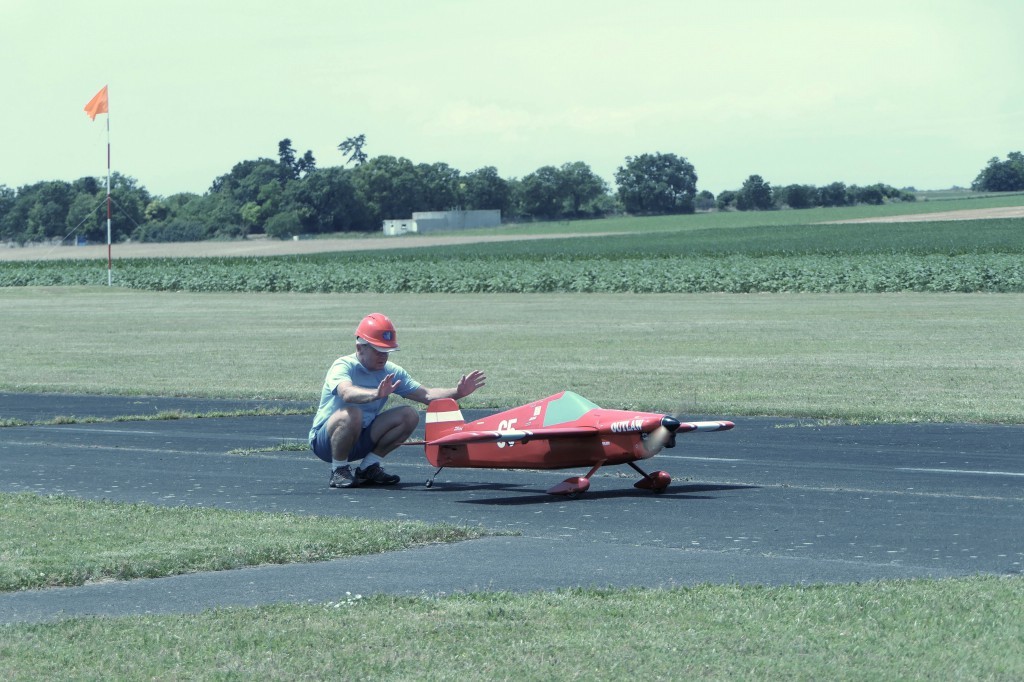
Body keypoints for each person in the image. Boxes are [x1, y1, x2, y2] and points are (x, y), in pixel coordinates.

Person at [309, 313, 486, 488]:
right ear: (360, 347)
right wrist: (376, 394)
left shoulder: (391, 371)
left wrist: (458, 392)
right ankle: (339, 470)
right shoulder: (343, 365)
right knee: (351, 413)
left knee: (409, 415)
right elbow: (346, 393)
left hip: (361, 437)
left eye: (387, 351)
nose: (383, 356)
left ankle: (369, 467)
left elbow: (427, 395)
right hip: (326, 442)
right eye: (378, 350)